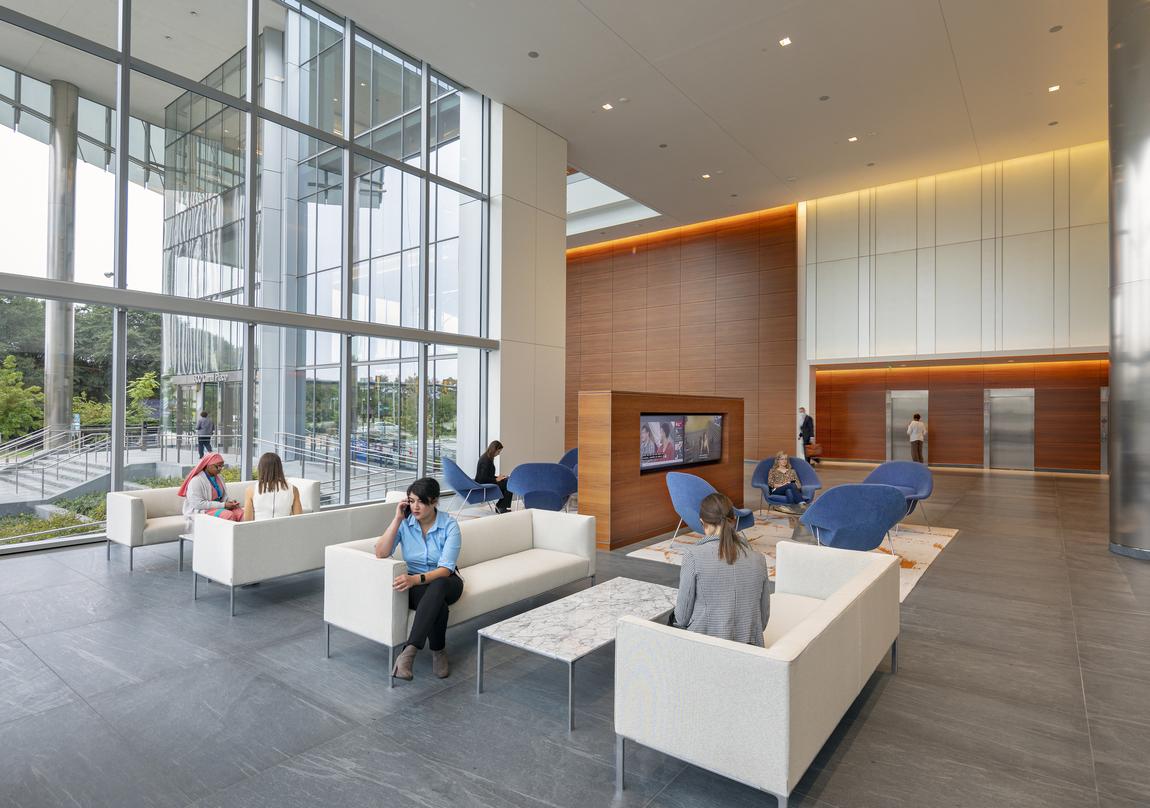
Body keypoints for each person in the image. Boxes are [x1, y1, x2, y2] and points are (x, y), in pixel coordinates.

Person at [374, 477, 463, 681]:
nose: (415, 507)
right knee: (437, 605)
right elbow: (381, 552)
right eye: (411, 501)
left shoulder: (450, 526)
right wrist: (397, 519)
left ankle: (409, 652)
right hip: (419, 586)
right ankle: (439, 652)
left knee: (439, 585)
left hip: (447, 582)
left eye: (421, 501)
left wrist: (414, 580)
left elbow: (445, 569)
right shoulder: (405, 524)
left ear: (434, 502)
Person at [673, 492, 770, 646]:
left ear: (702, 522)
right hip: (750, 650)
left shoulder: (693, 556)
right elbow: (763, 619)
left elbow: (682, 618)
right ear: (734, 520)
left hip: (705, 649)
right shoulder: (759, 559)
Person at [179, 452, 243, 525]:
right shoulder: (196, 481)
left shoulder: (219, 478)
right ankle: (227, 536)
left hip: (218, 508)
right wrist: (224, 505)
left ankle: (245, 536)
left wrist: (230, 502)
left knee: (240, 512)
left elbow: (223, 497)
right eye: (218, 466)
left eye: (222, 466)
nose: (220, 469)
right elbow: (197, 504)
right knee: (228, 515)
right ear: (207, 465)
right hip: (201, 510)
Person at [243, 452, 303, 521]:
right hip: (285, 530)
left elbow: (247, 521)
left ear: (261, 468)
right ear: (280, 468)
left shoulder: (251, 490)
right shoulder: (294, 489)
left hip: (260, 530)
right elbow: (299, 519)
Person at [475, 440, 513, 513]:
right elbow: (482, 479)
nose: (498, 454)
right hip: (483, 485)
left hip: (486, 482)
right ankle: (501, 507)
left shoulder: (487, 457)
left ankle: (501, 506)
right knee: (509, 483)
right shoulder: (485, 460)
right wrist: (496, 480)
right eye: (498, 452)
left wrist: (498, 478)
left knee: (507, 480)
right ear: (494, 450)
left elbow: (487, 475)